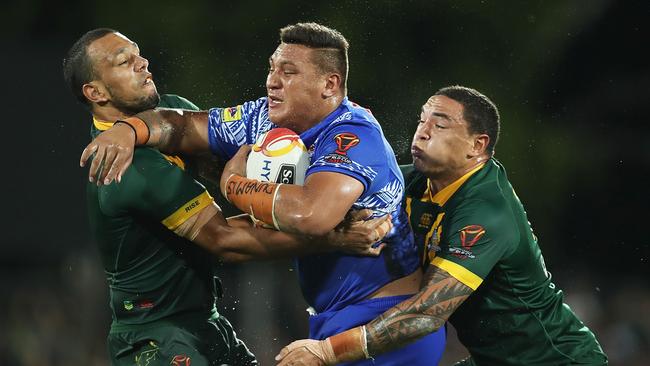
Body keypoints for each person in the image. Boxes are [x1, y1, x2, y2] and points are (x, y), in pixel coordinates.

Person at [79, 23, 446, 365]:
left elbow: (309, 216)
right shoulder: (130, 168)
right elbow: (224, 238)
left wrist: (232, 182)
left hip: (382, 320)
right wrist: (129, 131)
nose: (272, 81)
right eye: (272, 69)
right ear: (94, 92)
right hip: (155, 332)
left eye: (288, 72)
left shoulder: (350, 136)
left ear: (330, 85)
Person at [276, 86, 609, 366]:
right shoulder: (410, 182)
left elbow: (427, 313)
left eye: (441, 125)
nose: (422, 130)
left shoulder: (486, 209)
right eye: (422, 120)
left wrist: (326, 351)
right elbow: (320, 200)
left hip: (555, 359)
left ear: (477, 146)